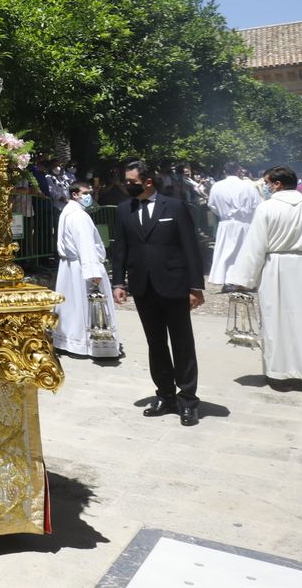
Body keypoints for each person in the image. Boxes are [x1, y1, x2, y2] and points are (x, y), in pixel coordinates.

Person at [227, 166, 302, 383]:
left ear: (277, 184)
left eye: (267, 183)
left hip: (279, 270)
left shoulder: (266, 208)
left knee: (280, 322)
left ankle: (281, 374)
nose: (265, 187)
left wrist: (242, 280)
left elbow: (255, 247)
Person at [111, 160, 205, 426]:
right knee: (156, 343)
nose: (127, 186)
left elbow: (190, 247)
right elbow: (120, 249)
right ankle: (165, 394)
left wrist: (195, 287)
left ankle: (188, 399)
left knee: (182, 343)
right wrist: (119, 282)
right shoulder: (123, 210)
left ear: (147, 181)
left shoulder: (174, 207)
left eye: (132, 182)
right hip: (143, 286)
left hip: (174, 284)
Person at [52, 181, 122, 359]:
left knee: (72, 307)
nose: (89, 196)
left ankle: (69, 341)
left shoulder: (67, 213)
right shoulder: (78, 216)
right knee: (87, 306)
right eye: (85, 192)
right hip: (82, 266)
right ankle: (91, 345)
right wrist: (93, 272)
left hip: (70, 267)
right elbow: (86, 245)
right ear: (75, 194)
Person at [206, 162, 260, 288]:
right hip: (244, 223)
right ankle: (241, 280)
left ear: (225, 171)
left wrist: (223, 214)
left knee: (225, 251)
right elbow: (256, 205)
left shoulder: (217, 186)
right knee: (242, 252)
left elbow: (211, 205)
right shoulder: (248, 186)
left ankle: (227, 279)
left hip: (226, 224)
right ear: (238, 171)